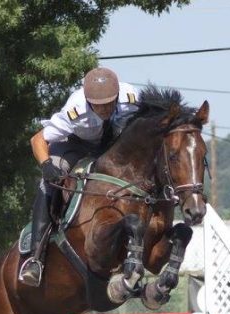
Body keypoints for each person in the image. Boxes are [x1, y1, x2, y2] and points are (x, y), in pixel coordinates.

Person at [20, 67, 140, 286]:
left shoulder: (130, 97)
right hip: (73, 145)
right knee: (48, 184)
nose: (104, 109)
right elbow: (37, 140)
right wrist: (47, 165)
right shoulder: (75, 109)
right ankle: (35, 258)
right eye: (98, 104)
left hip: (111, 146)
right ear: (87, 99)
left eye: (109, 102)